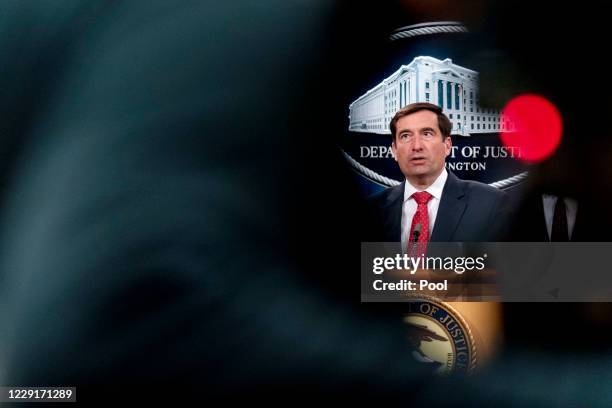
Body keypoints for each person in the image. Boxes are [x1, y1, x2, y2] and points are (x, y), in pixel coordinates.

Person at [365, 103, 511, 252]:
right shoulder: (370, 210)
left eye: (427, 134)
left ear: (447, 145)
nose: (416, 146)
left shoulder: (491, 204)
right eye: (406, 136)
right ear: (394, 150)